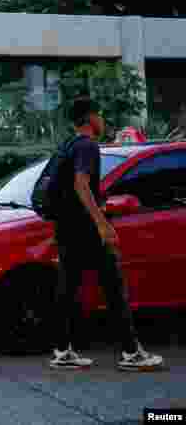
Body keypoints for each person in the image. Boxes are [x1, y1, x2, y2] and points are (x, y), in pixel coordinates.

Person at [49, 97, 164, 372]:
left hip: (66, 228)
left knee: (68, 290)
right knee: (114, 288)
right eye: (99, 115)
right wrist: (101, 223)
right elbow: (81, 184)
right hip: (86, 229)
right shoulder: (87, 146)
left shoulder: (68, 145)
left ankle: (63, 351)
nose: (102, 120)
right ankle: (130, 353)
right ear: (91, 118)